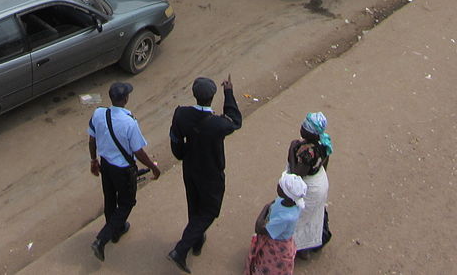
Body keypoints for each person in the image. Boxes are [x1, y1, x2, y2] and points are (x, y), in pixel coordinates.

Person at [167, 75, 242, 273]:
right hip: (210, 173)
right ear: (212, 97)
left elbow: (175, 138)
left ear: (194, 95)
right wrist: (229, 92)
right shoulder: (218, 124)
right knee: (209, 211)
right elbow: (235, 120)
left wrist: (181, 155)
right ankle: (181, 250)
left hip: (190, 169)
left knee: (195, 206)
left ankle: (197, 241)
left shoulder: (181, 114)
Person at [87, 82, 161, 262]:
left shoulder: (98, 113)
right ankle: (102, 239)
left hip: (106, 166)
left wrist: (93, 160)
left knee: (110, 199)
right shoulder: (130, 123)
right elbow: (138, 152)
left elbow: (92, 139)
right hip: (123, 170)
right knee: (127, 202)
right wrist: (153, 166)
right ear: (126, 99)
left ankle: (116, 230)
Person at [286, 112, 332, 260]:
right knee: (313, 216)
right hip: (320, 181)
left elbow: (296, 174)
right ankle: (308, 245)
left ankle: (296, 249)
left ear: (311, 133)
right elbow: (325, 164)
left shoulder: (308, 153)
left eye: (304, 127)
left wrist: (291, 151)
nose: (301, 128)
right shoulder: (323, 143)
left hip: (310, 187)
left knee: (298, 219)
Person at [243, 173, 307, 275]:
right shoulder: (290, 203)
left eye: (280, 185)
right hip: (276, 236)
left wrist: (265, 207)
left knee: (268, 265)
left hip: (275, 246)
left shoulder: (285, 217)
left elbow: (259, 228)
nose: (278, 185)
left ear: (287, 194)